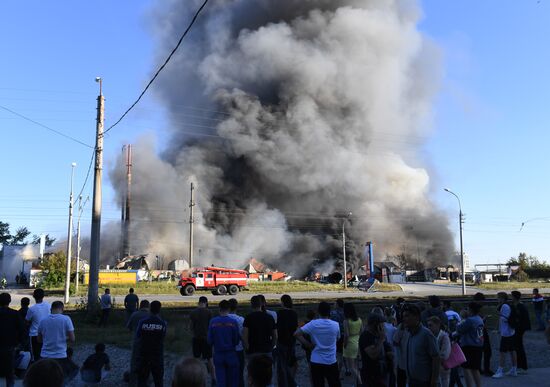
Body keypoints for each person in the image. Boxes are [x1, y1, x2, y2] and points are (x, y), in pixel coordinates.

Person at [295, 301, 341, 387]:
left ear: (318, 311)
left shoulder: (313, 324)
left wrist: (307, 344)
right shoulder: (336, 325)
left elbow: (297, 334)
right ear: (329, 312)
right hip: (331, 360)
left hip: (316, 360)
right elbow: (337, 338)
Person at [396, 304, 439, 387]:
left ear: (416, 317)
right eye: (403, 316)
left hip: (424, 382)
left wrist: (434, 381)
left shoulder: (426, 335)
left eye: (407, 316)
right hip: (412, 381)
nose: (404, 319)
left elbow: (436, 358)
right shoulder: (409, 334)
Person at [37, 301, 75, 378]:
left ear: (51, 309)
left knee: (46, 379)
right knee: (59, 379)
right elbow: (72, 339)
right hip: (60, 355)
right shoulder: (66, 319)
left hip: (45, 355)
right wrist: (63, 338)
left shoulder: (43, 320)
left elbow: (39, 340)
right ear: (62, 309)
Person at [208, 300, 240, 387]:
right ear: (229, 309)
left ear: (219, 309)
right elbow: (236, 340)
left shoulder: (213, 322)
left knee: (221, 380)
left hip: (218, 354)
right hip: (231, 353)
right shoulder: (233, 322)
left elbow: (209, 340)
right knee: (233, 380)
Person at [135, 300, 167, 387]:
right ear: (159, 310)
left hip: (144, 354)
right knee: (158, 380)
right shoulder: (163, 323)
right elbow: (163, 337)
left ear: (150, 309)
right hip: (157, 355)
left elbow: (138, 336)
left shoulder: (142, 322)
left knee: (142, 379)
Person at [359, 312, 393, 387]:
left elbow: (389, 351)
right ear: (375, 324)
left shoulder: (380, 335)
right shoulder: (365, 337)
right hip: (371, 376)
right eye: (381, 324)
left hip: (383, 374)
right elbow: (373, 355)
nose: (383, 326)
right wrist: (381, 339)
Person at [0, 293, 26, 387]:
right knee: (9, 372)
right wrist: (20, 344)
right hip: (10, 346)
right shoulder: (15, 314)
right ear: (10, 301)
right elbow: (22, 329)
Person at [456, 302, 483, 387]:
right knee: (475, 368)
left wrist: (461, 318)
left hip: (469, 346)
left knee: (466, 368)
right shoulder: (479, 319)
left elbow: (459, 329)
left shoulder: (470, 320)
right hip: (478, 345)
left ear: (470, 310)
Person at [190, 296, 215, 384]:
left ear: (199, 302)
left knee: (197, 360)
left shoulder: (193, 312)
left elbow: (191, 326)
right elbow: (211, 326)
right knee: (210, 359)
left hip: (196, 338)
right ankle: (213, 378)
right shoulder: (209, 312)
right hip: (206, 338)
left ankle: (197, 379)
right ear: (206, 303)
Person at [493, 292, 517, 378]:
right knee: (511, 350)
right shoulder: (507, 305)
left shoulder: (504, 306)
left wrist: (500, 314)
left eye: (498, 298)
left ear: (502, 298)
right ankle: (514, 369)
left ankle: (500, 370)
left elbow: (505, 318)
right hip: (510, 332)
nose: (497, 299)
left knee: (502, 352)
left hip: (507, 333)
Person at [127, 299, 150, 387]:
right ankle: (146, 382)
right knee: (148, 362)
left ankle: (132, 382)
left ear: (140, 306)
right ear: (148, 306)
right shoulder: (150, 315)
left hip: (137, 342)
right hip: (148, 343)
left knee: (134, 363)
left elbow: (128, 327)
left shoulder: (135, 314)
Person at [276, 294, 298, 387]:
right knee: (289, 363)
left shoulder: (279, 313)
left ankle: (287, 384)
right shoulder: (294, 313)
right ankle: (291, 383)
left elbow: (277, 327)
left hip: (281, 341)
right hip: (291, 341)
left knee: (282, 366)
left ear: (283, 302)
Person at [25, 288, 50, 361]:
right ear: (43, 296)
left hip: (34, 334)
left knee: (36, 355)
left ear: (33, 296)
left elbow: (26, 321)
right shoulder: (49, 306)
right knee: (46, 353)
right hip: (47, 333)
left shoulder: (32, 309)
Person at [426, 316, 451, 387]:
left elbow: (445, 355)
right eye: (428, 326)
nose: (429, 328)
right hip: (433, 368)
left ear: (438, 325)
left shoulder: (444, 336)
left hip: (442, 368)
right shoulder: (430, 336)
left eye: (431, 325)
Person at [473, 292, 492, 376]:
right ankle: (485, 369)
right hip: (480, 331)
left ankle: (479, 368)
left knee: (481, 350)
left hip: (480, 331)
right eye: (482, 301)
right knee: (486, 350)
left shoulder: (475, 308)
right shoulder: (476, 309)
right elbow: (477, 322)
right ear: (478, 301)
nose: (483, 303)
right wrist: (484, 319)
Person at [511, 290, 530, 373]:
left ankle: (523, 367)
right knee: (517, 347)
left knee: (519, 347)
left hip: (519, 329)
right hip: (518, 328)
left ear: (514, 297)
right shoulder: (517, 305)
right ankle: (519, 366)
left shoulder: (520, 306)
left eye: (512, 296)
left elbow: (522, 319)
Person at [343, 303, 362, 385]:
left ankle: (360, 382)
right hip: (357, 341)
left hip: (350, 344)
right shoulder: (359, 319)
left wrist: (344, 344)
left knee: (351, 367)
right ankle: (358, 382)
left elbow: (346, 334)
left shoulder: (346, 321)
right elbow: (361, 331)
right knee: (357, 365)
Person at [228, 298, 245, 387]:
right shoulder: (241, 320)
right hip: (239, 350)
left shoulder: (223, 320)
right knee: (239, 375)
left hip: (227, 350)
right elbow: (244, 336)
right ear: (236, 307)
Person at [330, 299, 346, 375]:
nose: (334, 304)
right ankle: (347, 369)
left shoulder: (333, 313)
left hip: (336, 335)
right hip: (345, 335)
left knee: (338, 354)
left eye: (335, 303)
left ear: (338, 304)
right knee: (343, 353)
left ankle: (337, 372)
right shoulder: (346, 313)